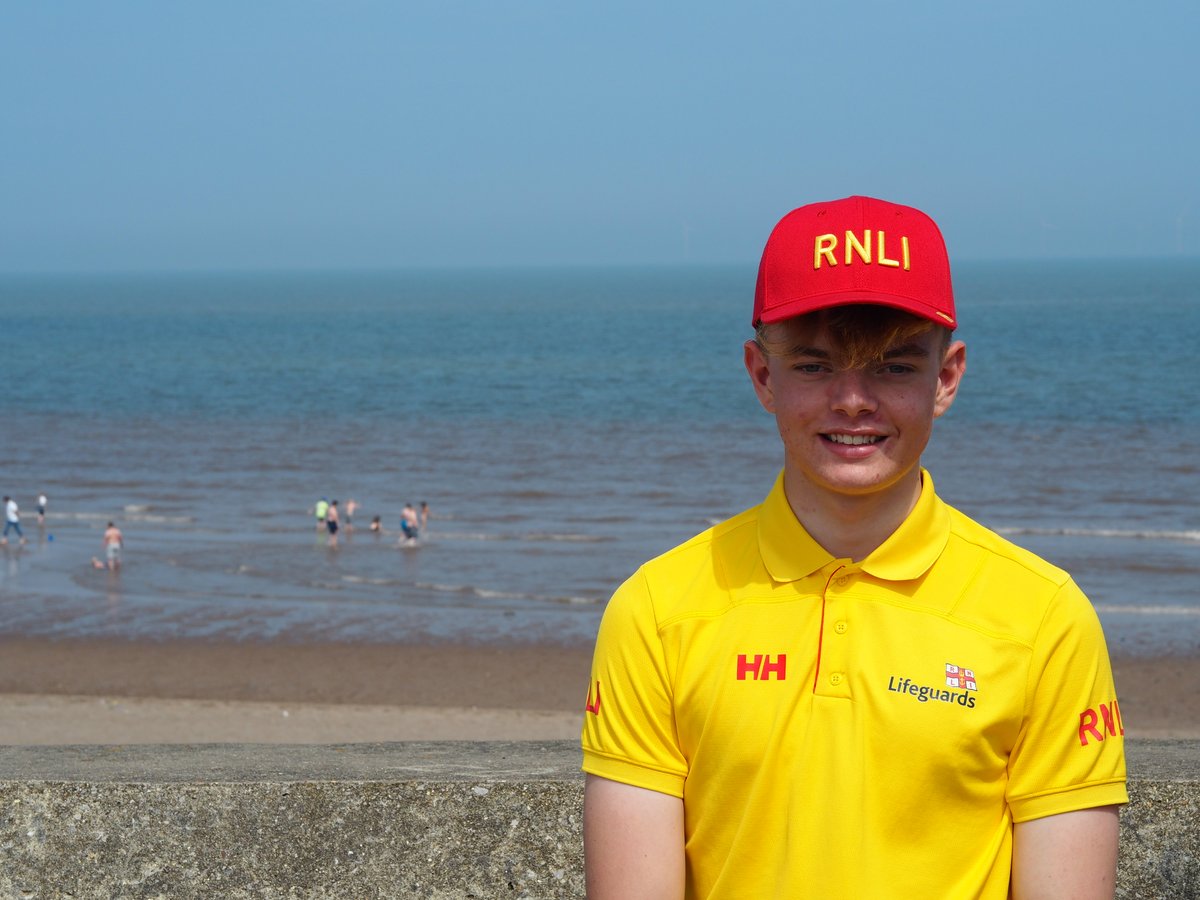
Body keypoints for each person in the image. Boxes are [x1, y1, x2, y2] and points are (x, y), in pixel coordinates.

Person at [581, 196, 1127, 899]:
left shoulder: (1045, 618)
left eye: (894, 367)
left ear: (947, 378)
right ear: (762, 376)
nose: (852, 401)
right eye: (813, 365)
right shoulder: (656, 611)